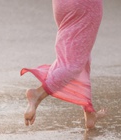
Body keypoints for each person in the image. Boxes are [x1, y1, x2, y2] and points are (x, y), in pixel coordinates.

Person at [21, 0, 105, 129]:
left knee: (80, 54)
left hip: (62, 5)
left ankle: (89, 114)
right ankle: (38, 93)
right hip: (84, 6)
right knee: (73, 64)